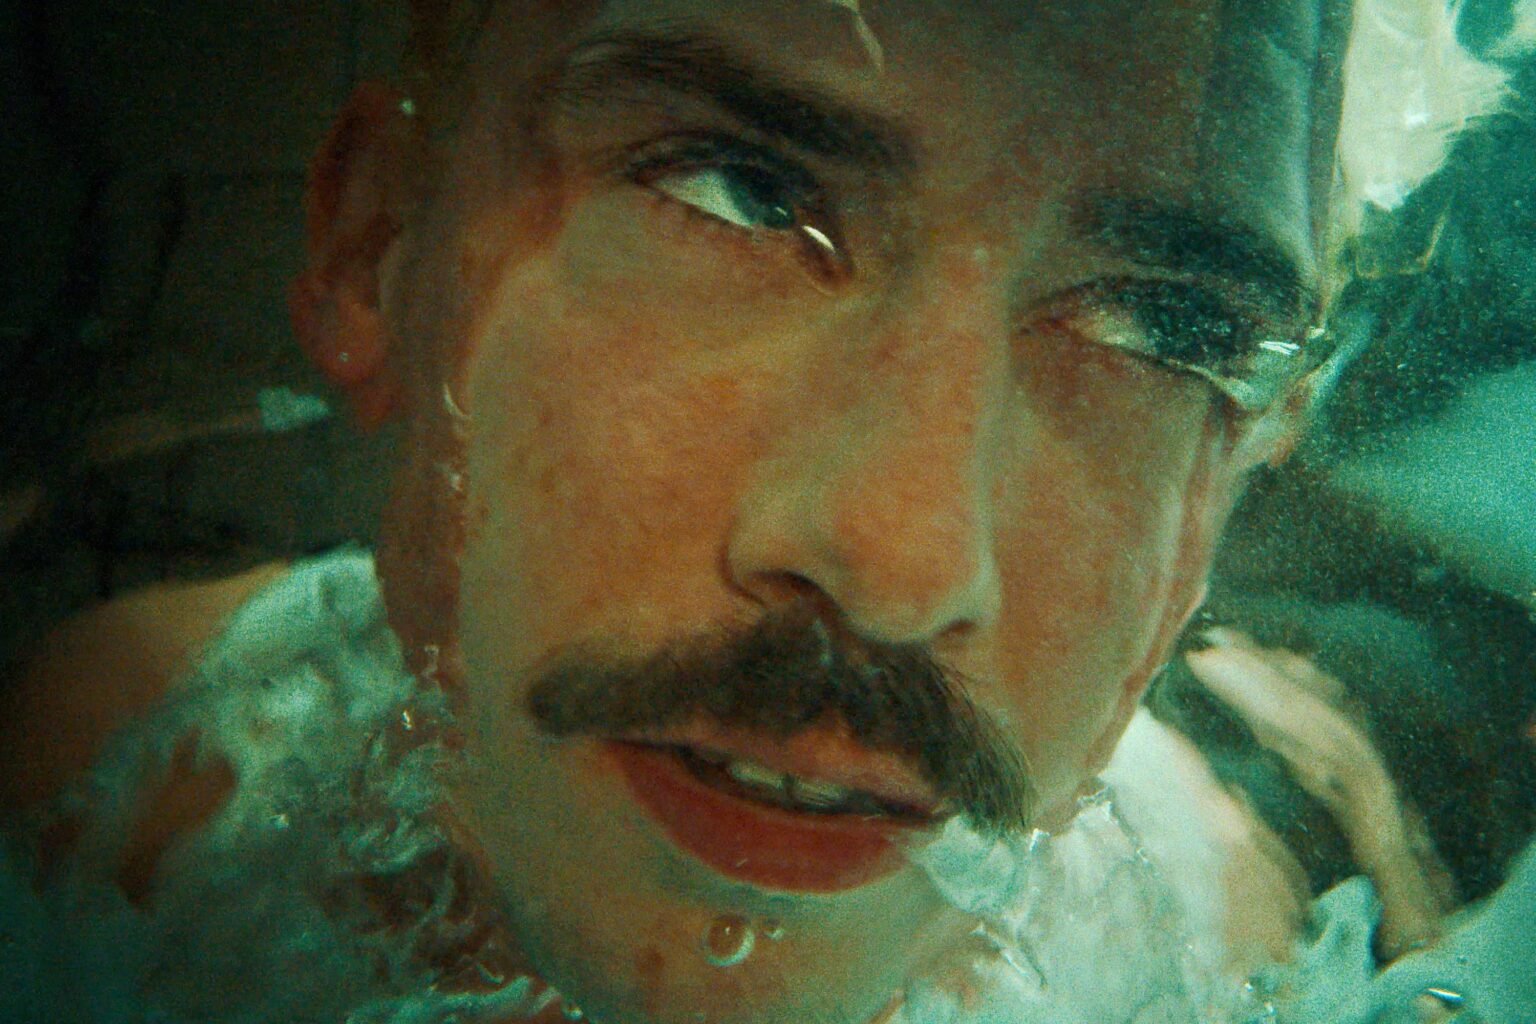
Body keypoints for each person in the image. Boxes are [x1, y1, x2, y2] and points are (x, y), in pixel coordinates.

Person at [0, 1, 1518, 1022]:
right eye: (738, 190)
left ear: (1217, 500)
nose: (903, 567)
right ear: (378, 243)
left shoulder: (1199, 969)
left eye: (1166, 327)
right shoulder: (130, 765)